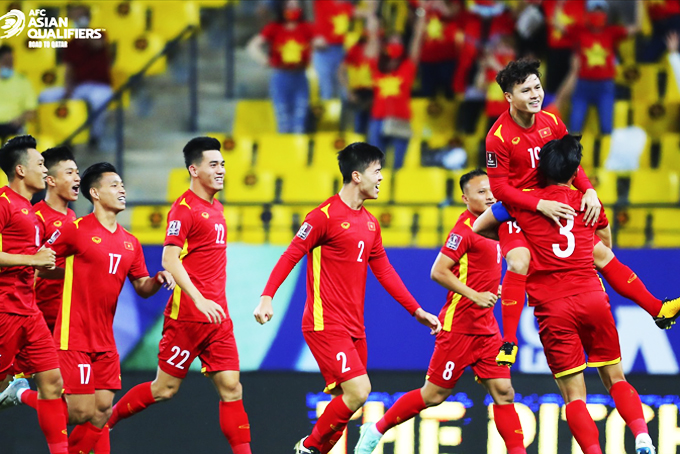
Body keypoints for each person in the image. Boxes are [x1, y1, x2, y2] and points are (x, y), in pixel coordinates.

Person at [476, 59, 680, 368]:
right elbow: (501, 189)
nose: (535, 95)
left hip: (557, 203)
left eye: (538, 87)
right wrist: (537, 205)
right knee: (518, 261)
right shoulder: (498, 137)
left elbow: (573, 164)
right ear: (508, 97)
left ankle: (658, 310)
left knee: (600, 255)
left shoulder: (552, 122)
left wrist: (589, 190)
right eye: (526, 90)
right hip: (522, 209)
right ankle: (509, 342)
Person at [253, 142, 441, 454]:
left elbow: (386, 272)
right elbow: (290, 256)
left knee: (346, 405)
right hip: (324, 322)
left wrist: (416, 311)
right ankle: (308, 448)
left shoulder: (370, 223)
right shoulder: (322, 217)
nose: (382, 178)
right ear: (356, 176)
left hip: (355, 328)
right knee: (360, 391)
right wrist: (266, 296)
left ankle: (316, 449)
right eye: (377, 171)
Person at [5, 162, 175, 454]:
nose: (122, 189)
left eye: (122, 184)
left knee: (102, 412)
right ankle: (22, 394)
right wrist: (68, 275)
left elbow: (142, 288)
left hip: (105, 339)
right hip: (74, 335)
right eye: (114, 185)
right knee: (79, 413)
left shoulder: (130, 242)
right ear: (94, 193)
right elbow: (42, 263)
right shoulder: (75, 230)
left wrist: (158, 279)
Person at [353, 169, 526, 454]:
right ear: (465, 198)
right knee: (433, 395)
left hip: (487, 329)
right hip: (458, 326)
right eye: (480, 192)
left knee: (505, 393)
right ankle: (376, 428)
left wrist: (493, 289)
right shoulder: (464, 230)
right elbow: (438, 271)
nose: (488, 195)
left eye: (490, 190)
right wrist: (474, 294)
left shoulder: (500, 224)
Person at [508, 134, 656, 454]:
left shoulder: (528, 204)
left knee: (574, 396)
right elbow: (604, 240)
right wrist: (588, 195)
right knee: (615, 377)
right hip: (591, 295)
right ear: (575, 171)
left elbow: (488, 222)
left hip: (552, 305)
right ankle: (642, 435)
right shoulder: (586, 201)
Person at [104, 137, 253, 454]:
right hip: (186, 316)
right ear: (194, 169)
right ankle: (106, 424)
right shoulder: (183, 209)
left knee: (231, 388)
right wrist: (199, 299)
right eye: (214, 164)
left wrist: (210, 304)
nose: (221, 170)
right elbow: (169, 259)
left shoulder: (218, 208)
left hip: (217, 317)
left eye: (223, 164)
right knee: (164, 389)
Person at [0, 135, 67, 454]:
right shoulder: (2, 202)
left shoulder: (29, 210)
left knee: (53, 383)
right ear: (20, 170)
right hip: (4, 310)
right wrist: (32, 259)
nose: (45, 170)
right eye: (40, 164)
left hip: (29, 310)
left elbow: (37, 262)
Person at [557, 0, 641, 136]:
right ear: (587, 13)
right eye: (594, 11)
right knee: (574, 127)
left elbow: (637, 27)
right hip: (583, 86)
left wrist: (639, 4)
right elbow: (556, 24)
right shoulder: (579, 31)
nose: (597, 14)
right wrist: (559, 5)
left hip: (605, 87)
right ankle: (572, 157)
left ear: (606, 14)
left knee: (607, 129)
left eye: (600, 11)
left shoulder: (612, 32)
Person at [38, 4, 113, 146]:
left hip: (100, 86)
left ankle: (95, 137)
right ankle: (55, 136)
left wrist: (84, 30)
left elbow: (97, 45)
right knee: (45, 96)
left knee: (99, 102)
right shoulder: (71, 42)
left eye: (81, 15)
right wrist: (68, 88)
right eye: (75, 16)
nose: (78, 18)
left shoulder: (99, 33)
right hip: (80, 86)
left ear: (88, 17)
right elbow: (69, 68)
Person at [364, 12, 426, 170]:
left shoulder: (407, 67)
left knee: (398, 165)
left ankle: (394, 194)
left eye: (399, 41)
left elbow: (417, 41)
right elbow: (372, 41)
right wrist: (373, 17)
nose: (395, 44)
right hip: (377, 119)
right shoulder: (377, 67)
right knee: (375, 166)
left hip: (401, 119)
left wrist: (421, 18)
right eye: (392, 41)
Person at [247, 0, 315, 134]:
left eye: (296, 6)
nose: (293, 9)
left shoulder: (306, 27)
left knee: (299, 120)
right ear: (282, 8)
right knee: (283, 120)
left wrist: (319, 45)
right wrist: (264, 60)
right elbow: (252, 46)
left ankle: (298, 152)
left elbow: (319, 40)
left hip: (300, 76)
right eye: (290, 6)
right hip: (281, 76)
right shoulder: (274, 27)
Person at [33, 146, 79, 332]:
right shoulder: (36, 217)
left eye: (77, 172)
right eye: (69, 173)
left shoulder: (72, 216)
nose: (77, 178)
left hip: (66, 316)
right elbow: (31, 267)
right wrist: (77, 273)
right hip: (41, 317)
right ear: (50, 180)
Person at [312, 0, 355, 100]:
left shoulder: (348, 6)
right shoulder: (322, 2)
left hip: (342, 50)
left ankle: (344, 113)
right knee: (326, 89)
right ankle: (326, 113)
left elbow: (365, 12)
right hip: (324, 50)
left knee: (345, 89)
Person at [0, 45, 37, 140]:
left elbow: (31, 111)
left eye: (11, 61)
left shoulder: (23, 81)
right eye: (5, 61)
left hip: (13, 125)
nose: (9, 64)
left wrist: (20, 119)